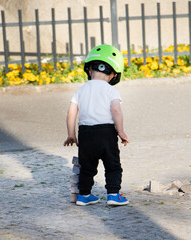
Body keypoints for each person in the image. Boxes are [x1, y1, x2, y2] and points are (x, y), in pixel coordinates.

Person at [64, 44, 129, 206]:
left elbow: (71, 113)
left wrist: (71, 134)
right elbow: (116, 111)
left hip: (85, 133)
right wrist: (120, 131)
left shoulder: (81, 90)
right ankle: (113, 195)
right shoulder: (110, 90)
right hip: (106, 132)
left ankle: (84, 196)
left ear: (89, 70)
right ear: (113, 74)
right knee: (112, 165)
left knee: (87, 167)